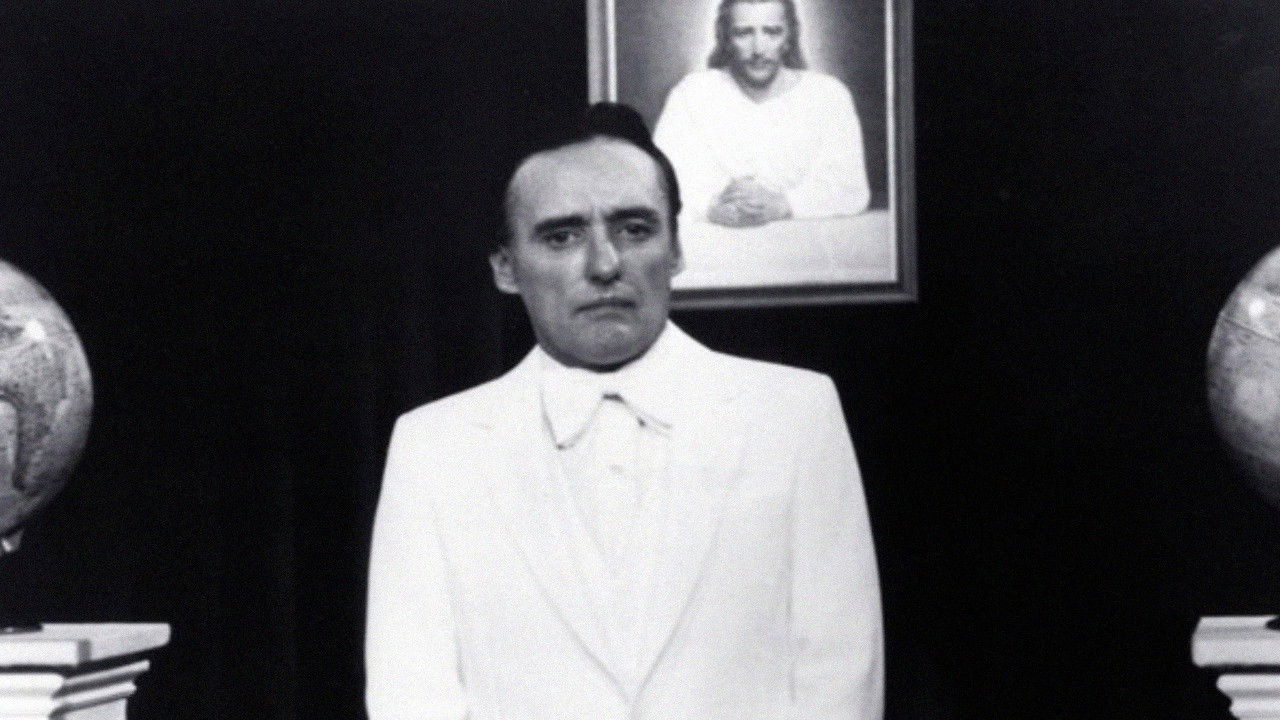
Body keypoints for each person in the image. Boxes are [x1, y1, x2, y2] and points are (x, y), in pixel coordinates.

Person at [365, 103, 882, 720]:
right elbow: (411, 696)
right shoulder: (434, 450)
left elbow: (840, 679)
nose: (605, 264)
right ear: (505, 268)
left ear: (677, 248)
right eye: (562, 236)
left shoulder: (793, 417)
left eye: (635, 229)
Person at [653, 0, 871, 227]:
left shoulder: (828, 95)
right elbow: (658, 184)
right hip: (714, 242)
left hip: (805, 243)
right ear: (726, 38)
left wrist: (783, 205)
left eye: (772, 32)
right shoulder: (692, 94)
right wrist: (709, 208)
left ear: (789, 37)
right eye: (743, 33)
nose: (758, 49)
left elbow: (852, 189)